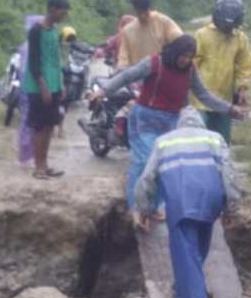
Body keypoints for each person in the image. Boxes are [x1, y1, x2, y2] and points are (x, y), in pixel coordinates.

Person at [91, 34, 241, 216]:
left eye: (190, 57)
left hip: (171, 124)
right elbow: (126, 77)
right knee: (145, 161)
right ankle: (136, 208)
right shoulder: (154, 63)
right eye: (183, 55)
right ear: (175, 51)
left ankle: (152, 208)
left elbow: (203, 95)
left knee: (165, 165)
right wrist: (103, 91)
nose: (185, 60)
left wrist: (229, 109)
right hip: (144, 120)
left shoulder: (190, 70)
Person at [134, 107, 242, 298]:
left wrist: (145, 209)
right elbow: (229, 175)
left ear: (179, 125)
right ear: (200, 124)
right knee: (196, 251)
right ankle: (186, 286)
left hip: (181, 204)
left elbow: (146, 180)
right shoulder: (215, 138)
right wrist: (231, 207)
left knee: (187, 258)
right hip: (211, 202)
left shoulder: (164, 142)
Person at [192, 0, 251, 144]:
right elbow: (192, 63)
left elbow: (244, 65)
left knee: (221, 141)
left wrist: (243, 88)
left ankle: (221, 167)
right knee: (200, 138)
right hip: (199, 99)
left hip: (224, 100)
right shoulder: (202, 35)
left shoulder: (240, 38)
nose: (227, 29)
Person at [23, 0, 69, 179]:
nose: (63, 16)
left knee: (50, 125)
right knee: (39, 127)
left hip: (54, 84)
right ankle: (38, 166)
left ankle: (45, 164)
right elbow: (34, 61)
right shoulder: (36, 31)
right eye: (62, 12)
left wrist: (60, 82)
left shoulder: (55, 30)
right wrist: (43, 86)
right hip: (38, 86)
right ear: (52, 9)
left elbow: (56, 59)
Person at [117, 0, 182, 69]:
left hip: (160, 70)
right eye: (139, 13)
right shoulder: (127, 31)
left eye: (145, 13)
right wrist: (121, 68)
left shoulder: (163, 21)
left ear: (149, 9)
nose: (142, 16)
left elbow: (179, 39)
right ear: (134, 11)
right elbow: (123, 56)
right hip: (137, 74)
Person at [15, 14, 43, 166]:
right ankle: (26, 155)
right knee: (30, 122)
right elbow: (30, 70)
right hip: (31, 88)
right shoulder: (31, 47)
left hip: (28, 88)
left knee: (29, 121)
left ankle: (28, 154)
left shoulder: (27, 45)